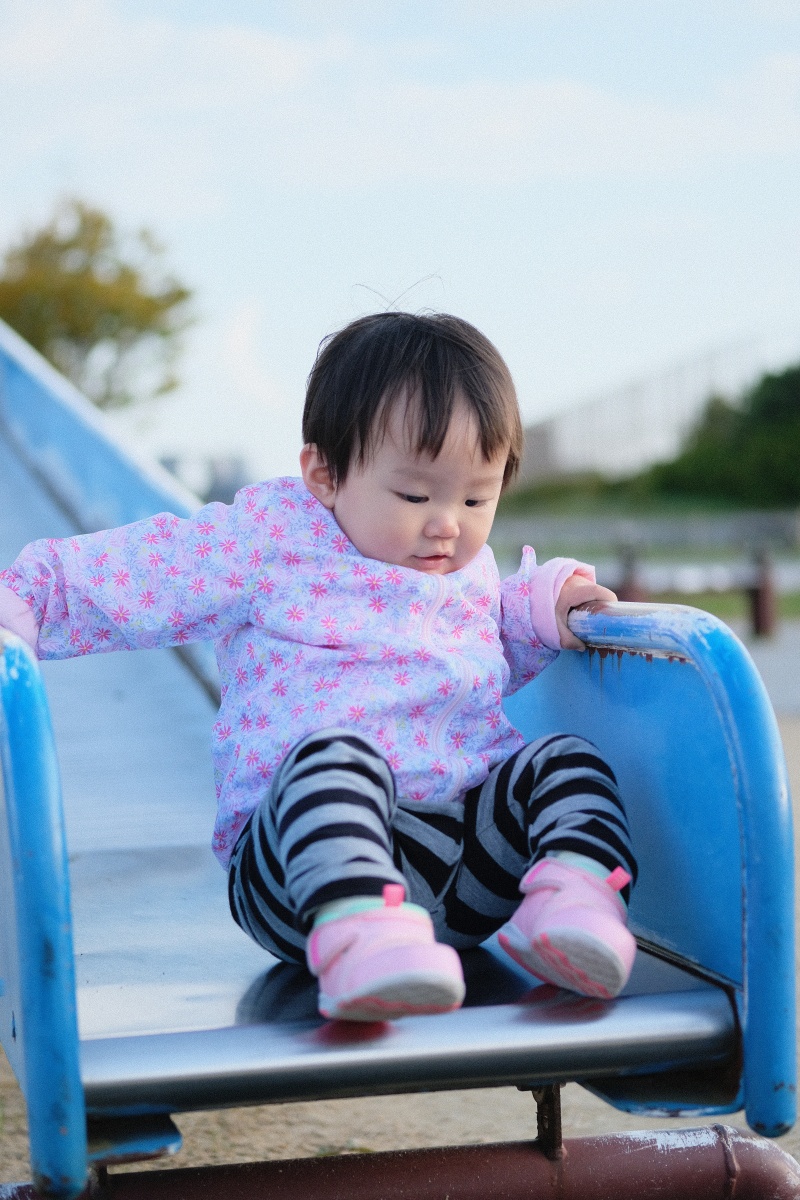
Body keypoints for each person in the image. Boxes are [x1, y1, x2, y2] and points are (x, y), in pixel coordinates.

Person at [0, 312, 637, 1022]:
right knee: (336, 759)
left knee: (564, 761)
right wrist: (28, 598)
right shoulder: (270, 541)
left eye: (475, 498)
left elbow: (496, 642)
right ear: (325, 475)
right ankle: (360, 936)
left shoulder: (464, 572)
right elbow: (144, 571)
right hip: (300, 870)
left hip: (455, 873)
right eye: (416, 495)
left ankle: (574, 904)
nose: (447, 524)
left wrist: (550, 606)